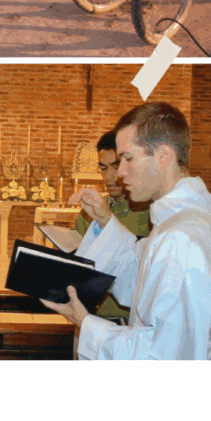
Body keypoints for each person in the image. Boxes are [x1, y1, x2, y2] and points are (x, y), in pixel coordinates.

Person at [43, 102, 211, 361]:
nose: (120, 172)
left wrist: (87, 324)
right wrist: (105, 219)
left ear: (163, 155)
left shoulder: (183, 238)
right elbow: (141, 280)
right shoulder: (178, 222)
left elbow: (164, 357)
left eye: (128, 158)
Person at [74, 132, 149, 324]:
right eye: (103, 168)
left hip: (128, 320)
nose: (109, 178)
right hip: (88, 317)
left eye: (115, 167)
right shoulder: (90, 210)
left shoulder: (150, 212)